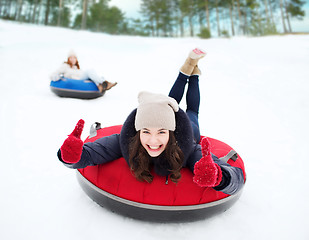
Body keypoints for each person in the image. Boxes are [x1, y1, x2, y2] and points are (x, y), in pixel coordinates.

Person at [57, 48, 244, 195]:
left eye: (161, 132)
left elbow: (237, 178)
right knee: (171, 102)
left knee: (191, 110)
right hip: (165, 116)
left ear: (170, 133)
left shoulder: (188, 148)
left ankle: (193, 75)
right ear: (138, 131)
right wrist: (70, 156)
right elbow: (92, 153)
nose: (153, 141)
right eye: (146, 131)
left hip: (190, 128)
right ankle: (190, 66)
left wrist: (220, 177)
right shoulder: (125, 140)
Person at [50, 50, 117, 92]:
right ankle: (105, 83)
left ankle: (101, 85)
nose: (73, 59)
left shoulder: (76, 68)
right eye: (71, 58)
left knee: (91, 73)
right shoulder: (65, 66)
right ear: (68, 59)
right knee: (89, 71)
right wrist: (56, 77)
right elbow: (53, 74)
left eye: (74, 58)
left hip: (81, 79)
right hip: (76, 80)